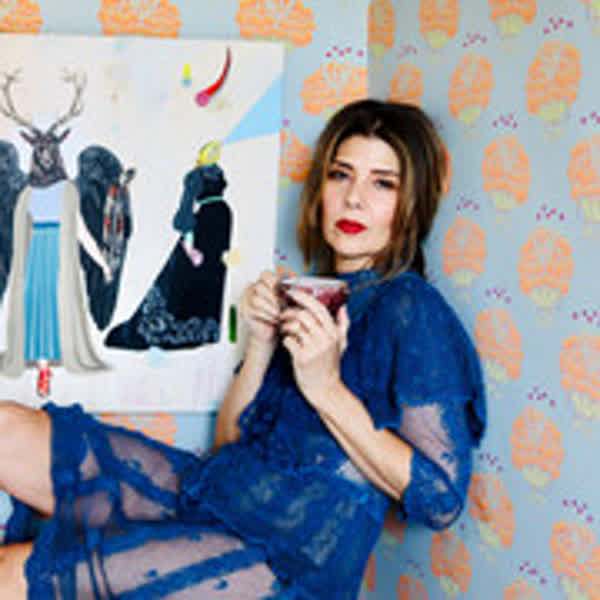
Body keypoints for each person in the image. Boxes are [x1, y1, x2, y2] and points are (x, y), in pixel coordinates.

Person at [0, 99, 486, 599]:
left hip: (287, 559)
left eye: (383, 183)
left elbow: (441, 500)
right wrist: (259, 344)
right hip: (215, 495)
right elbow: (230, 442)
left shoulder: (411, 307)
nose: (354, 199)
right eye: (341, 175)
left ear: (412, 203)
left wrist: (325, 388)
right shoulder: (313, 295)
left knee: (14, 575)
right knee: (8, 428)